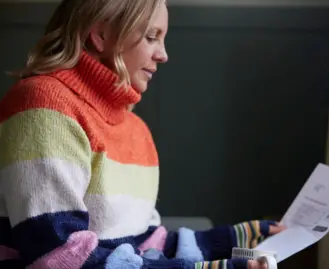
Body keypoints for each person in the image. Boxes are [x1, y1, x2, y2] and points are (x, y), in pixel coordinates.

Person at [0, 0, 285, 268]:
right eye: (151, 36)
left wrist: (232, 239)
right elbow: (58, 255)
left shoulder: (136, 130)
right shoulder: (43, 106)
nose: (163, 54)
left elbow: (146, 246)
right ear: (100, 34)